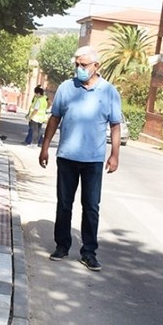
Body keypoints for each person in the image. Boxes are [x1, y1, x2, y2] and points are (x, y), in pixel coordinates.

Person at [39, 46, 122, 272]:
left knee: (91, 206)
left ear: (97, 66)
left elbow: (115, 125)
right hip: (66, 156)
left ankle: (89, 252)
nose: (80, 69)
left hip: (93, 160)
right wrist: (45, 147)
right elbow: (54, 119)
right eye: (77, 64)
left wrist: (114, 155)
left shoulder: (109, 92)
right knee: (64, 204)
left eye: (84, 65)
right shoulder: (66, 88)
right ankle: (62, 245)